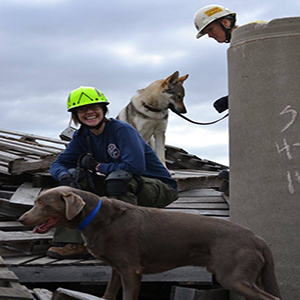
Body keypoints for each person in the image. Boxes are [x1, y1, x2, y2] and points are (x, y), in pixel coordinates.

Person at [47, 86, 179, 259]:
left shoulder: (122, 130)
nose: (89, 113)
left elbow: (134, 167)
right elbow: (58, 164)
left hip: (158, 188)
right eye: (82, 110)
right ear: (76, 115)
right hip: (127, 186)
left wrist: (97, 166)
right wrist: (64, 177)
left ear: (103, 109)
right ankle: (76, 243)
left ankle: (123, 244)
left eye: (94, 107)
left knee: (119, 178)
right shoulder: (82, 136)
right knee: (73, 178)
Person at [194, 4, 237, 113]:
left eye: (211, 29)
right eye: (207, 32)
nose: (210, 35)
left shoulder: (253, 35)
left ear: (225, 23)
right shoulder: (236, 46)